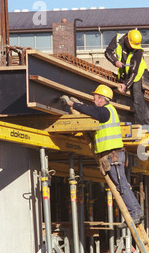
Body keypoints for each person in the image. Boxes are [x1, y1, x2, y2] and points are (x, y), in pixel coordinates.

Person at [61, 85, 144, 226]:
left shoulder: (105, 112)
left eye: (95, 98)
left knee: (122, 185)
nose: (94, 101)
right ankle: (135, 211)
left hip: (113, 156)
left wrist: (72, 104)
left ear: (102, 99)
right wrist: (80, 105)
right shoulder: (107, 111)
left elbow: (92, 111)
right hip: (113, 155)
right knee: (121, 184)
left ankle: (135, 213)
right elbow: (92, 110)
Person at [104, 29, 149, 132]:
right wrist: (115, 62)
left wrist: (126, 85)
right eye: (131, 45)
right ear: (127, 39)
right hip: (125, 72)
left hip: (138, 74)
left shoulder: (138, 51)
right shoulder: (118, 39)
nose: (133, 48)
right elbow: (107, 52)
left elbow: (134, 72)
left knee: (138, 99)